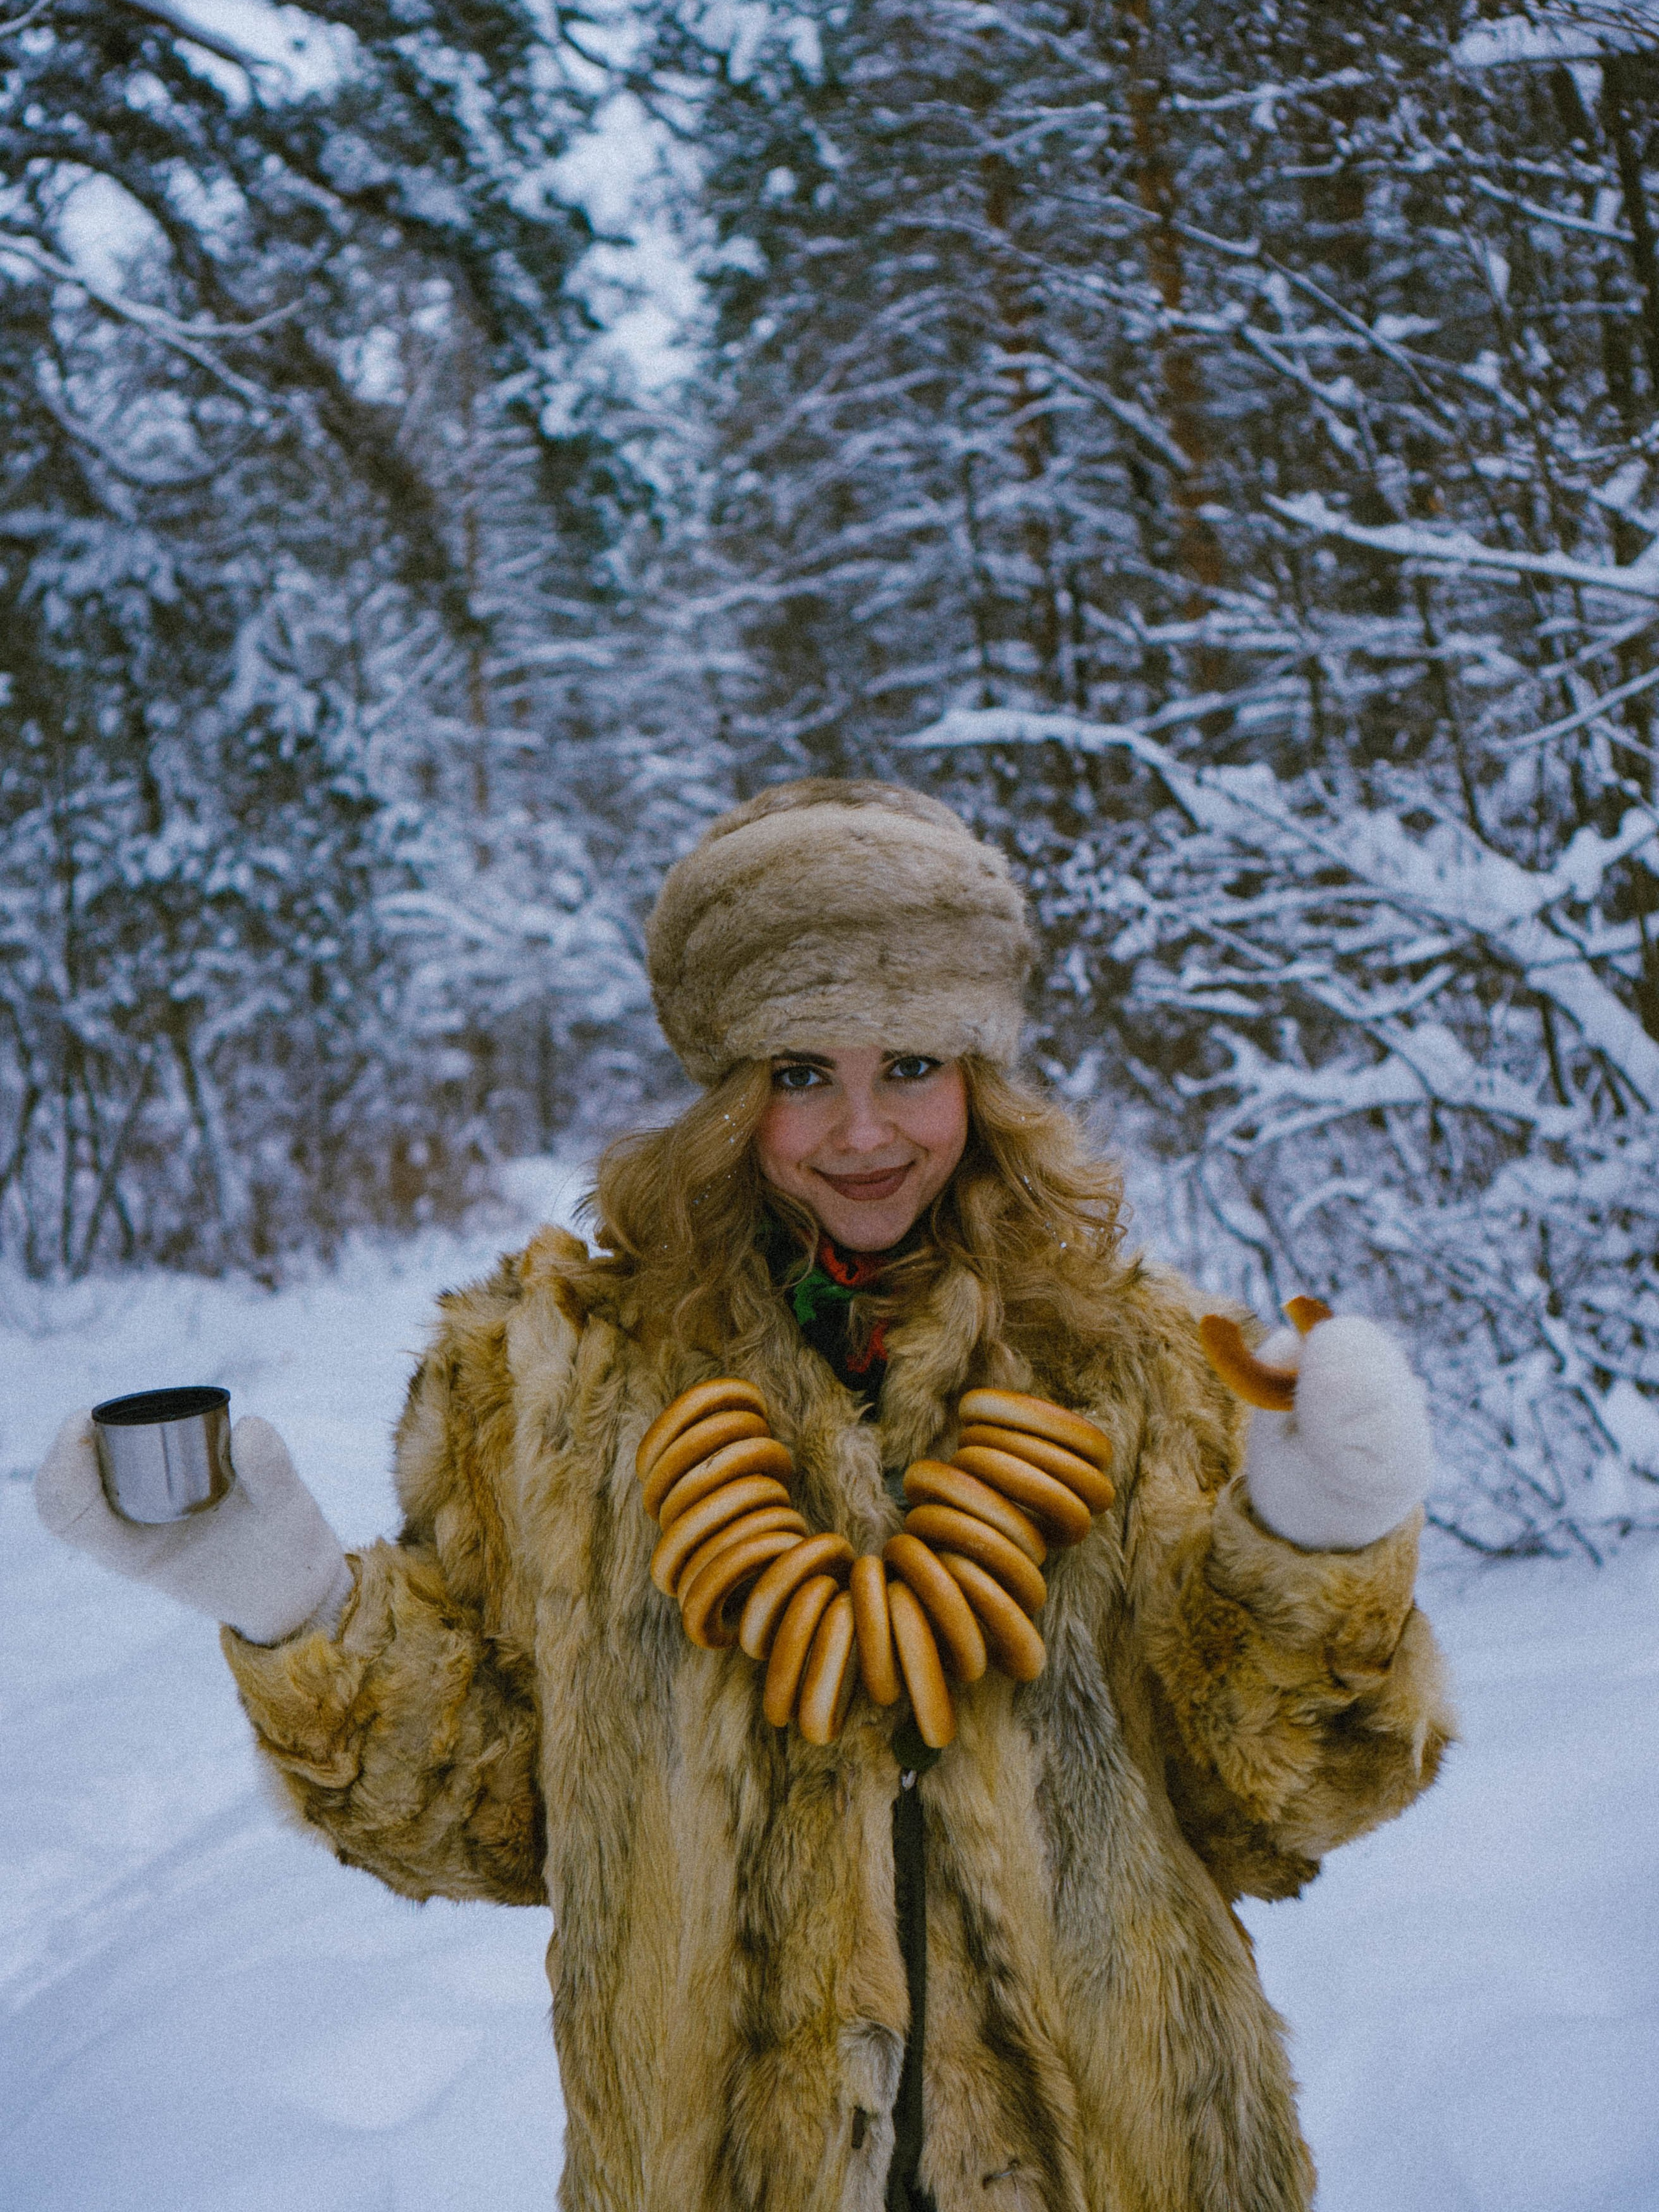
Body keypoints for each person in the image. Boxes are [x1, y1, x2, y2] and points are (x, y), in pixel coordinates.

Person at [37, 778, 1452, 2212]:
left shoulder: (1133, 1365)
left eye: (911, 1064)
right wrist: (291, 1604)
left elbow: (1273, 1809)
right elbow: (495, 1818)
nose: (862, 1131)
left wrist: (1316, 1541)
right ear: (726, 1091)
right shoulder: (557, 1387)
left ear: (979, 1076)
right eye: (800, 1072)